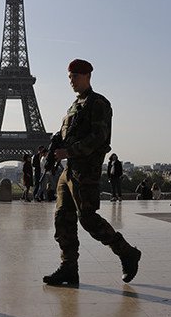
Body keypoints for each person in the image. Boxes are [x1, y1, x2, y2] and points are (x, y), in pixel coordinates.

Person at [42, 59, 141, 287]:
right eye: (69, 77)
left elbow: (99, 138)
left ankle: (126, 252)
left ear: (87, 75)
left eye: (75, 76)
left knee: (87, 219)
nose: (71, 81)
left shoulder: (98, 103)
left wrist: (69, 150)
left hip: (85, 171)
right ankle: (69, 268)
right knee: (62, 219)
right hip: (69, 171)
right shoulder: (75, 106)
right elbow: (68, 134)